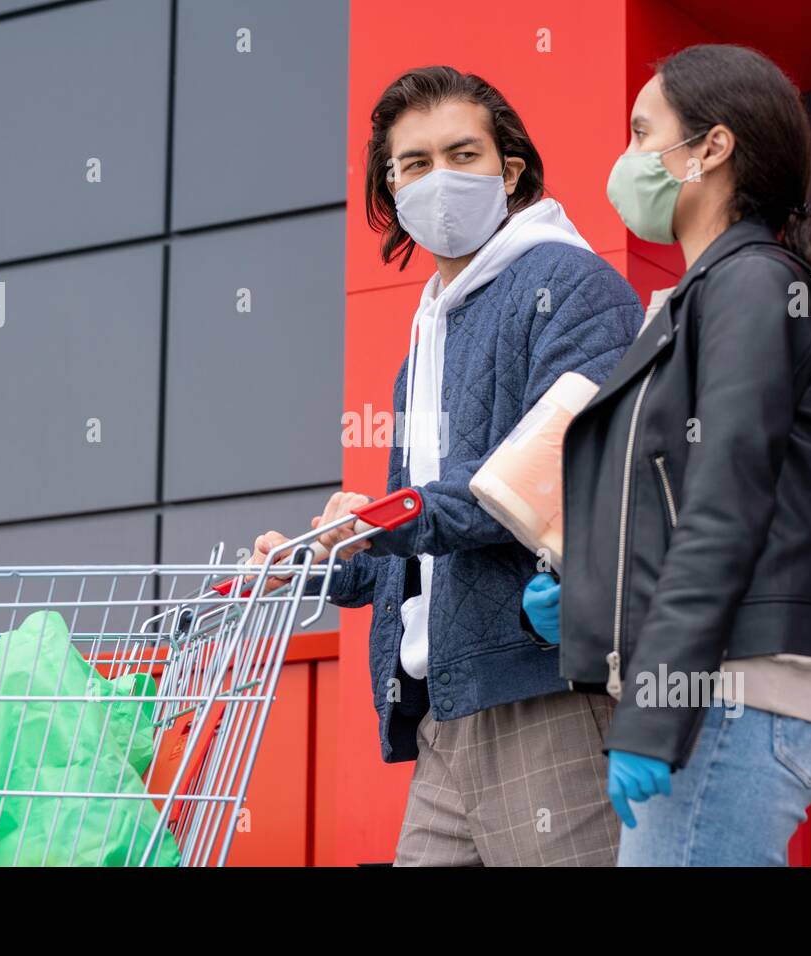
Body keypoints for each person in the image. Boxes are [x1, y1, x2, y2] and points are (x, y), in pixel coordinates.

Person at [255, 66, 642, 866]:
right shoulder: (429, 333)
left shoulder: (571, 286)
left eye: (462, 154)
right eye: (415, 163)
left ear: (510, 171)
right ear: (390, 188)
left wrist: (391, 520)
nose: (439, 179)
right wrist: (327, 561)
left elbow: (548, 479)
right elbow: (423, 545)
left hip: (544, 697)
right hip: (446, 715)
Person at [523, 44, 811, 866]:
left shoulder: (749, 286)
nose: (627, 160)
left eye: (641, 132)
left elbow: (723, 508)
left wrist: (655, 714)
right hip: (721, 696)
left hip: (728, 699)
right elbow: (675, 498)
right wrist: (584, 594)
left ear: (710, 149)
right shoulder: (712, 295)